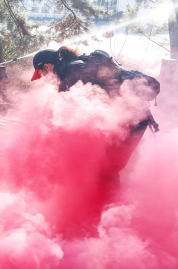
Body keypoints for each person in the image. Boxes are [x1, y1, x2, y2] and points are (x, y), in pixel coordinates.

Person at [30, 46, 158, 202]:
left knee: (106, 169)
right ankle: (113, 203)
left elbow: (95, 103)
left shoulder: (72, 71)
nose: (44, 78)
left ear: (47, 66)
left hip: (130, 118)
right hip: (126, 118)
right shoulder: (71, 69)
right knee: (104, 165)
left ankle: (111, 206)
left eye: (42, 73)